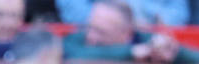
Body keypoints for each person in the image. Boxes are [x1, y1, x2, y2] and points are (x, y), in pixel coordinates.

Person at [63, 0, 199, 64]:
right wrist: (133, 53)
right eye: (90, 27)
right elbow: (71, 55)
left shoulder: (145, 42)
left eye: (101, 33)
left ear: (127, 35)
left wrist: (172, 52)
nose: (91, 36)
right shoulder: (76, 40)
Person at [56, 0, 187, 26]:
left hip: (154, 38)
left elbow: (178, 12)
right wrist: (113, 22)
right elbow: (73, 12)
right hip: (97, 41)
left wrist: (159, 20)